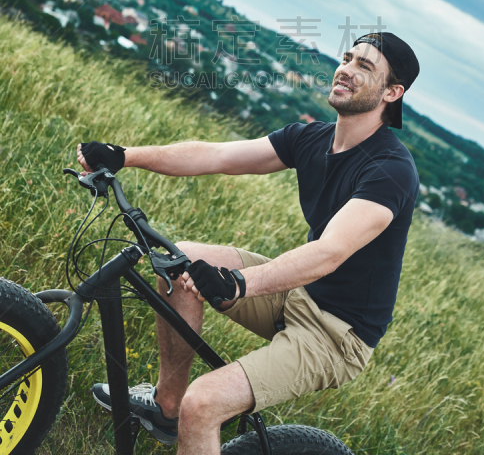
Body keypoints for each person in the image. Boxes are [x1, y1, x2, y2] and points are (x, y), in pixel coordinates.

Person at [78, 31, 420, 455]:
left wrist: (239, 282)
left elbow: (330, 251)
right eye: (348, 58)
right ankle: (166, 410)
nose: (346, 70)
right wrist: (126, 155)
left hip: (336, 334)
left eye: (364, 67)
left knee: (202, 405)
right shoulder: (311, 138)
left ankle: (185, 414)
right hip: (296, 295)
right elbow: (216, 155)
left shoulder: (391, 169)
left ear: (392, 92)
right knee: (180, 259)